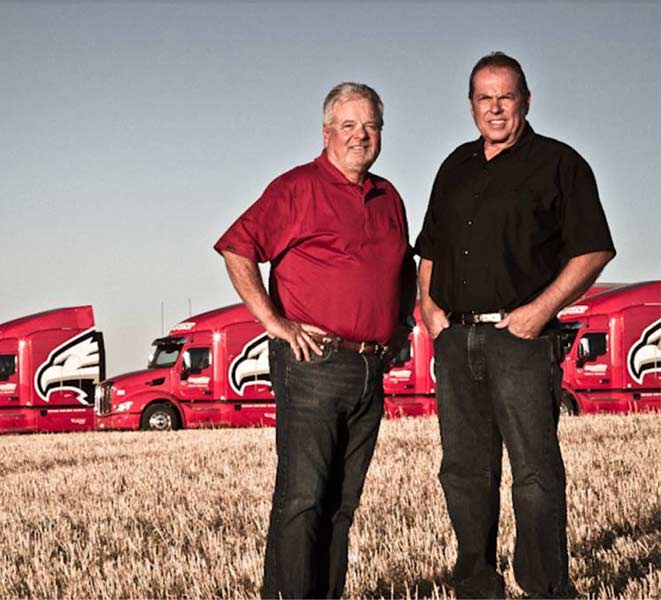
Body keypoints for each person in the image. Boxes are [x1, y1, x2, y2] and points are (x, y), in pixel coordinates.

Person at [416, 52, 615, 598]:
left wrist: (538, 312)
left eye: (506, 96)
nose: (495, 107)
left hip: (521, 342)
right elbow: (429, 246)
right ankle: (477, 584)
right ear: (471, 105)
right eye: (485, 98)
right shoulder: (454, 166)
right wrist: (429, 309)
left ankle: (547, 586)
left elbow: (593, 250)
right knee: (463, 472)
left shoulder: (559, 163)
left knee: (534, 473)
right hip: (456, 341)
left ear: (526, 100)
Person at [215, 82, 416, 599]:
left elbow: (403, 270)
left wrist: (399, 329)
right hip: (312, 364)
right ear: (327, 132)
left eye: (370, 126)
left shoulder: (389, 196)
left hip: (370, 370)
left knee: (342, 507)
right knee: (302, 500)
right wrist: (275, 322)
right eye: (348, 126)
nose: (360, 136)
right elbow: (238, 247)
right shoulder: (297, 188)